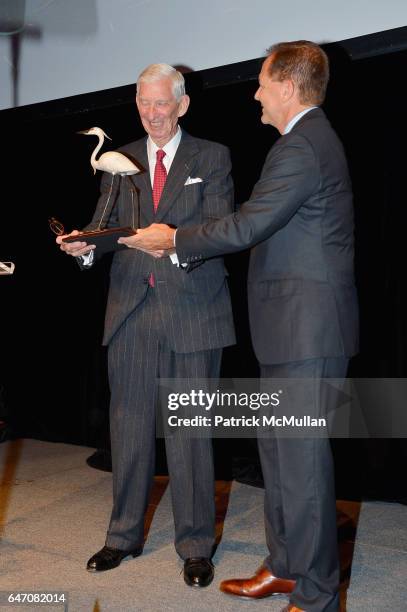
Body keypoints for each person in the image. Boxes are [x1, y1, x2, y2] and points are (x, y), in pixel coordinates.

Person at [125, 41, 359, 611]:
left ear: (286, 86)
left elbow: (249, 224)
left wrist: (175, 238)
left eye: (260, 82)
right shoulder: (300, 143)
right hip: (288, 329)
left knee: (302, 466)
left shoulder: (304, 145)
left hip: (308, 332)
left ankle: (319, 593)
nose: (254, 92)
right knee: (280, 458)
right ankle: (285, 568)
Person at [56, 63, 236, 587]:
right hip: (131, 311)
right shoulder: (122, 159)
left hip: (193, 310)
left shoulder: (213, 156)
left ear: (181, 105)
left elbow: (222, 228)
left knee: (191, 435)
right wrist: (83, 247)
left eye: (161, 103)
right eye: (143, 103)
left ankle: (196, 545)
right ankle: (122, 537)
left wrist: (172, 244)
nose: (152, 113)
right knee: (128, 430)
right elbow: (102, 224)